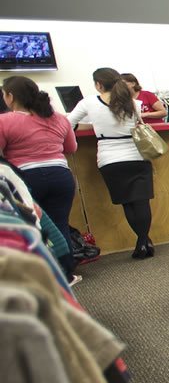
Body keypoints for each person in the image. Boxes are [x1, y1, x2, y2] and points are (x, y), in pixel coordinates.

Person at [68, 67, 156, 259]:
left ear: (98, 84)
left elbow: (68, 123)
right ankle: (143, 242)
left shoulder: (88, 103)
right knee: (142, 202)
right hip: (137, 157)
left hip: (110, 159)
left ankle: (143, 241)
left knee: (127, 203)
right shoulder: (133, 102)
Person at [0, 76, 79, 275]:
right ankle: (67, 273)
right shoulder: (59, 118)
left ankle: (44, 275)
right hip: (61, 176)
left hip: (27, 179)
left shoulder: (4, 121)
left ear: (10, 96)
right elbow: (71, 148)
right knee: (60, 226)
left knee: (33, 227)